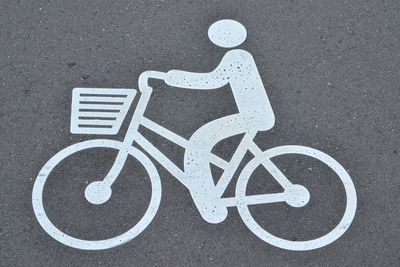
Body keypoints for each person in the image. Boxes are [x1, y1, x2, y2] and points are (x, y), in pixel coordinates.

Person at [149, 19, 275, 223]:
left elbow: (212, 81)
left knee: (198, 143)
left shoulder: (237, 57)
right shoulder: (238, 55)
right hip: (252, 115)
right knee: (201, 143)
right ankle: (211, 202)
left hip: (253, 116)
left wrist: (169, 77)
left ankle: (211, 207)